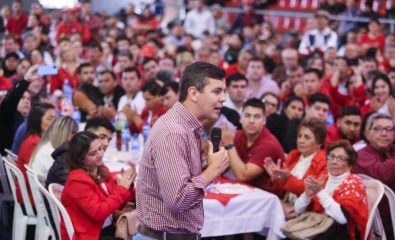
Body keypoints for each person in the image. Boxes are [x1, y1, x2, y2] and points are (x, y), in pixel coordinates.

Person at [135, 62, 229, 239]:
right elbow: (177, 200)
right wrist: (212, 170)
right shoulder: (174, 132)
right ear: (193, 93)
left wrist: (204, 165)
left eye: (223, 91)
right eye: (217, 91)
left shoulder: (185, 126)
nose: (223, 98)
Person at [61, 131, 135, 240]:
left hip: (103, 227)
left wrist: (128, 184)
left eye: (100, 149)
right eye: (93, 153)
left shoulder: (101, 170)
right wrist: (122, 188)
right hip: (90, 234)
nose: (100, 154)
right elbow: (98, 213)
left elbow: (115, 203)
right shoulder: (76, 181)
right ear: (80, 159)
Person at [294, 140, 368, 240]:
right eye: (331, 157)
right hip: (317, 227)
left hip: (340, 234)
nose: (334, 161)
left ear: (350, 165)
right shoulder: (323, 178)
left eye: (340, 158)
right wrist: (307, 195)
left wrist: (320, 192)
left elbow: (342, 219)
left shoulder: (354, 184)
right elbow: (297, 210)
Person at [221, 98, 286, 194]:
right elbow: (222, 165)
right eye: (247, 116)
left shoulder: (268, 144)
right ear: (241, 119)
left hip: (268, 197)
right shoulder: (239, 135)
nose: (251, 121)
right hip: (246, 191)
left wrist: (229, 145)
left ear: (264, 121)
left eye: (257, 117)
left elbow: (243, 176)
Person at [46, 117, 115, 187]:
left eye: (109, 140)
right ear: (87, 134)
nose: (106, 143)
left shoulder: (92, 161)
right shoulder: (68, 159)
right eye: (102, 137)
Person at [16, 102, 56, 205]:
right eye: (49, 119)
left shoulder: (35, 138)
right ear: (38, 120)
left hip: (32, 190)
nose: (54, 123)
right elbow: (40, 175)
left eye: (55, 118)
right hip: (31, 194)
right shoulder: (34, 143)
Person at [29, 116, 78, 182]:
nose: (76, 138)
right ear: (63, 134)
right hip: (47, 190)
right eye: (73, 133)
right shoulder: (51, 153)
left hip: (41, 189)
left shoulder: (45, 145)